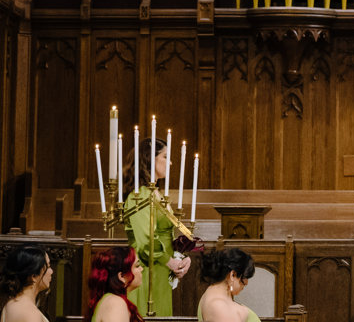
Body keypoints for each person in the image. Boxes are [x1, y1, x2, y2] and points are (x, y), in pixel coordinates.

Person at [124, 137, 191, 316]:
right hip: (145, 271)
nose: (170, 162)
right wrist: (171, 262)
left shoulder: (157, 195)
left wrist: (181, 258)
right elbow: (146, 241)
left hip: (161, 269)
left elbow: (166, 233)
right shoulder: (139, 196)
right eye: (165, 156)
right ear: (149, 159)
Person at [198, 247, 259, 322]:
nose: (246, 283)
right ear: (232, 275)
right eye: (245, 277)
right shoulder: (219, 306)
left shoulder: (210, 292)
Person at [87, 246, 145, 322]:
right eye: (137, 266)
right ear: (122, 276)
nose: (142, 269)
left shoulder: (111, 299)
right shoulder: (115, 303)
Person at [0, 244, 53, 322]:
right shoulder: (31, 314)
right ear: (33, 276)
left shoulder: (11, 304)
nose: (51, 271)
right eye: (48, 266)